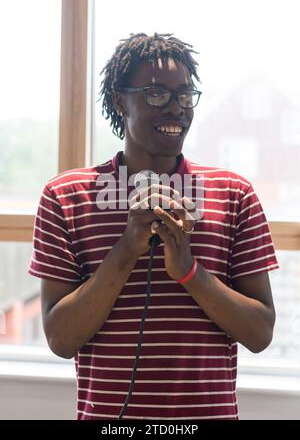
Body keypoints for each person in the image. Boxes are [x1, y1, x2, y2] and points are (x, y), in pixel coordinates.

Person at [28, 33, 279, 420]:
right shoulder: (67, 196)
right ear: (119, 100)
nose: (176, 108)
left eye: (185, 95)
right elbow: (61, 338)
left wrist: (190, 273)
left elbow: (260, 333)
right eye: (157, 94)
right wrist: (126, 249)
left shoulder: (234, 194)